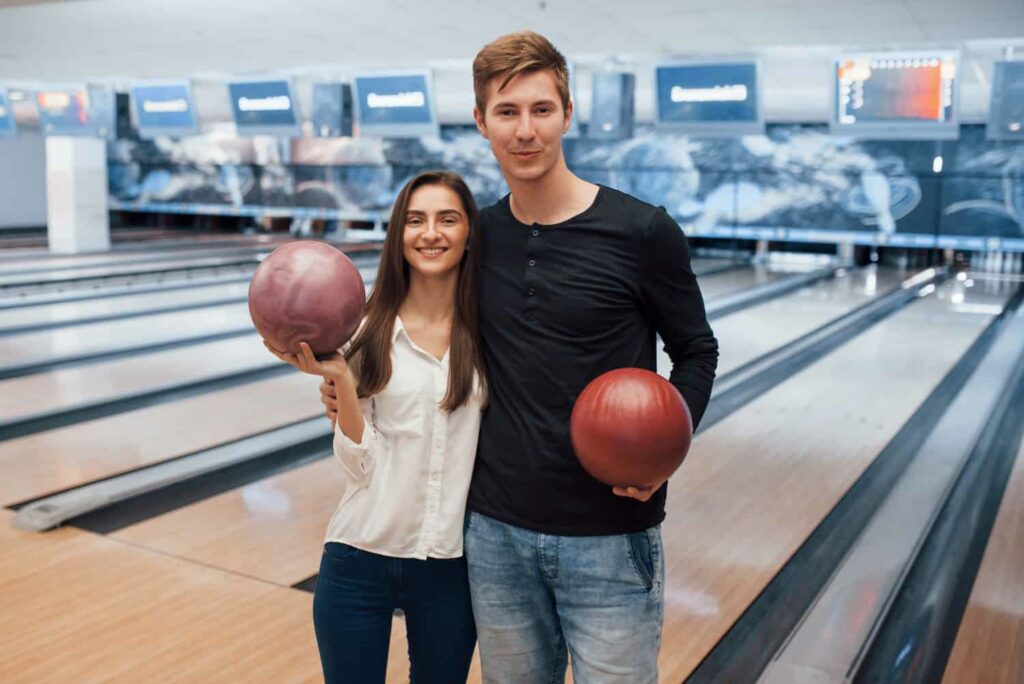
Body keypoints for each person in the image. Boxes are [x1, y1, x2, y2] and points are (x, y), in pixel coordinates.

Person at [323, 32, 719, 683]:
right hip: (495, 537)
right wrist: (343, 382)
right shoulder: (477, 238)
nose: (525, 130)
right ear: (481, 122)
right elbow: (412, 333)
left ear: (567, 113)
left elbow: (696, 351)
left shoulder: (643, 232)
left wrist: (666, 449)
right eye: (507, 112)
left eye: (541, 109)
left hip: (612, 537)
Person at [267, 170, 486, 684]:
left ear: (469, 232)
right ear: (398, 234)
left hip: (447, 567)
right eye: (415, 220)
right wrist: (341, 380)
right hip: (358, 556)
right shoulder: (364, 331)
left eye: (447, 219)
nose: (430, 232)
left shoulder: (489, 335)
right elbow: (357, 465)